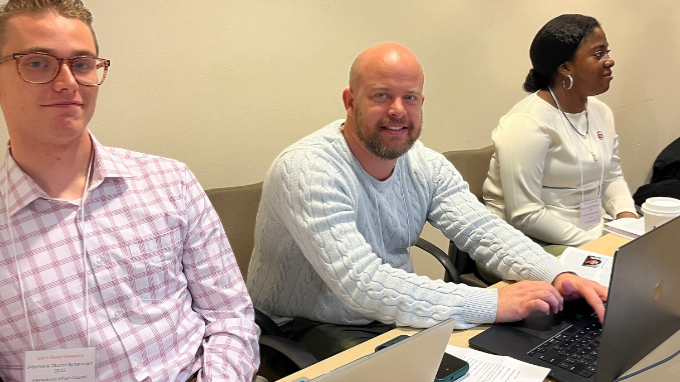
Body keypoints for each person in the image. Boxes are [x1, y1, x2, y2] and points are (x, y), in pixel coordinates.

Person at [0, 0, 260, 382]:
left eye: (82, 63)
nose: (67, 81)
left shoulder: (169, 181)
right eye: (37, 63)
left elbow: (230, 316)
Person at [246, 42, 608, 361]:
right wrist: (492, 303)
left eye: (411, 97)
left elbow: (483, 230)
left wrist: (557, 275)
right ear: (350, 101)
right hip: (307, 324)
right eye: (381, 95)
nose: (398, 110)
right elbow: (361, 283)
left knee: (521, 351)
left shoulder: (426, 164)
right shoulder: (307, 169)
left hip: (390, 310)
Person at [482, 15, 637, 254]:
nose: (610, 61)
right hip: (527, 241)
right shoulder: (526, 123)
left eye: (607, 52)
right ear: (565, 67)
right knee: (616, 278)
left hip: (591, 229)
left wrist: (628, 221)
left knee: (653, 256)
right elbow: (526, 216)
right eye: (599, 54)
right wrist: (596, 244)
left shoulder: (600, 112)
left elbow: (610, 177)